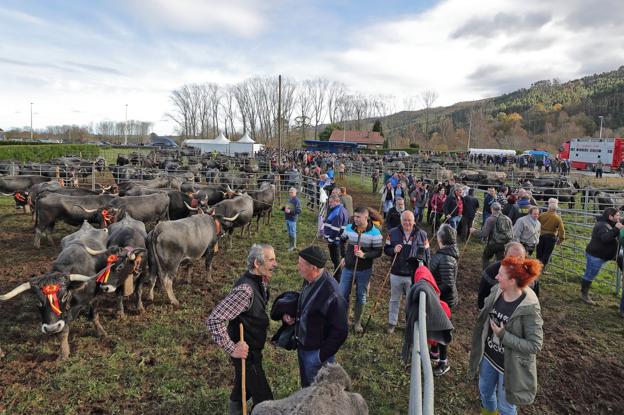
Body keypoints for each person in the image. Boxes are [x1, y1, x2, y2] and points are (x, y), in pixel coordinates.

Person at [207, 244, 278, 414]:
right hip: (247, 355)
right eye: (271, 260)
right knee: (266, 401)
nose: (276, 264)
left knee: (242, 389)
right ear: (256, 263)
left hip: (254, 350)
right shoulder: (245, 290)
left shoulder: (260, 281)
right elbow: (214, 319)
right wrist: (232, 348)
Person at [469, 256, 543, 415]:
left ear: (512, 281)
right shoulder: (498, 290)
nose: (496, 277)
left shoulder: (529, 308)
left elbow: (535, 345)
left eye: (500, 274)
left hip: (509, 366)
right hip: (488, 357)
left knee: (506, 407)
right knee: (485, 393)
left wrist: (503, 335)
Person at [280, 246, 349, 387]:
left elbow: (341, 331)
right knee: (306, 386)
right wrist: (295, 317)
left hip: (316, 354)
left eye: (301, 264)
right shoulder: (310, 279)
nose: (297, 267)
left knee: (318, 394)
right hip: (303, 347)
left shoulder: (333, 295)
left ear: (314, 268)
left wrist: (319, 356)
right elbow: (308, 305)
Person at [383, 210, 430, 334]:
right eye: (405, 220)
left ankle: (409, 323)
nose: (407, 223)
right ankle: (392, 323)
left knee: (411, 301)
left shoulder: (422, 235)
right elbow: (386, 249)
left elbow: (427, 254)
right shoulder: (392, 233)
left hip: (413, 274)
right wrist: (393, 249)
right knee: (394, 299)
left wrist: (425, 271)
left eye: (410, 220)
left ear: (414, 221)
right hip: (396, 272)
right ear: (401, 220)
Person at [338, 206, 384, 332]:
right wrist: (343, 256)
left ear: (366, 217)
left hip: (364, 270)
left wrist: (365, 255)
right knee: (342, 294)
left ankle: (357, 322)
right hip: (348, 268)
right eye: (355, 216)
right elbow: (341, 241)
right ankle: (343, 319)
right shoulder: (349, 228)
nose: (355, 219)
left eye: (358, 217)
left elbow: (379, 251)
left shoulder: (375, 233)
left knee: (361, 295)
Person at [428, 224, 459, 376]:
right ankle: (434, 352)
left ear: (441, 239)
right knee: (434, 326)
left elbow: (447, 283)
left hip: (443, 300)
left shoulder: (446, 258)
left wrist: (434, 293)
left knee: (441, 330)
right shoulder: (444, 254)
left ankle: (443, 361)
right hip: (439, 298)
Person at [581, 207, 623, 304]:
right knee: (590, 275)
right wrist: (616, 228)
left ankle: (584, 294)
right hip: (595, 256)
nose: (619, 217)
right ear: (610, 216)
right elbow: (605, 238)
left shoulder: (609, 223)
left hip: (600, 255)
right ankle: (584, 295)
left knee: (590, 273)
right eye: (617, 215)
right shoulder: (602, 225)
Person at [477, 242, 526, 310]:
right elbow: (482, 295)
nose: (515, 262)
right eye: (511, 257)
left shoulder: (530, 275)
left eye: (520, 258)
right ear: (504, 255)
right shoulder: (490, 272)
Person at [471, 202, 514, 270]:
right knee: (500, 261)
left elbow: (484, 234)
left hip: (493, 243)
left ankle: (486, 273)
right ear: (500, 209)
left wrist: (474, 231)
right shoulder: (507, 219)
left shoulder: (491, 219)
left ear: (492, 209)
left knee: (486, 257)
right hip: (505, 244)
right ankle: (499, 274)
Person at [323, 196, 350, 275]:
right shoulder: (341, 209)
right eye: (329, 202)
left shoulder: (337, 212)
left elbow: (335, 229)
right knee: (337, 259)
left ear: (337, 201)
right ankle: (338, 275)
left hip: (335, 240)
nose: (330, 204)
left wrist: (330, 240)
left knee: (336, 260)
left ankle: (338, 278)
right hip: (339, 239)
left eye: (331, 202)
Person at [536, 198, 565, 271]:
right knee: (547, 254)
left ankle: (536, 267)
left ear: (548, 208)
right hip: (551, 238)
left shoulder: (542, 215)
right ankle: (542, 269)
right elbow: (561, 231)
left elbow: (536, 224)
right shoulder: (557, 218)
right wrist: (560, 240)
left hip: (540, 236)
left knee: (539, 252)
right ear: (556, 209)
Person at [284, 187, 302, 252]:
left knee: (292, 232)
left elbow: (299, 211)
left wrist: (290, 212)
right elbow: (288, 208)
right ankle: (290, 244)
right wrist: (283, 208)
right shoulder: (290, 199)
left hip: (292, 219)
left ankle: (293, 246)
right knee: (289, 232)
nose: (290, 193)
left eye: (292, 192)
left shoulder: (297, 201)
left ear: (295, 193)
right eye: (289, 192)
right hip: (287, 218)